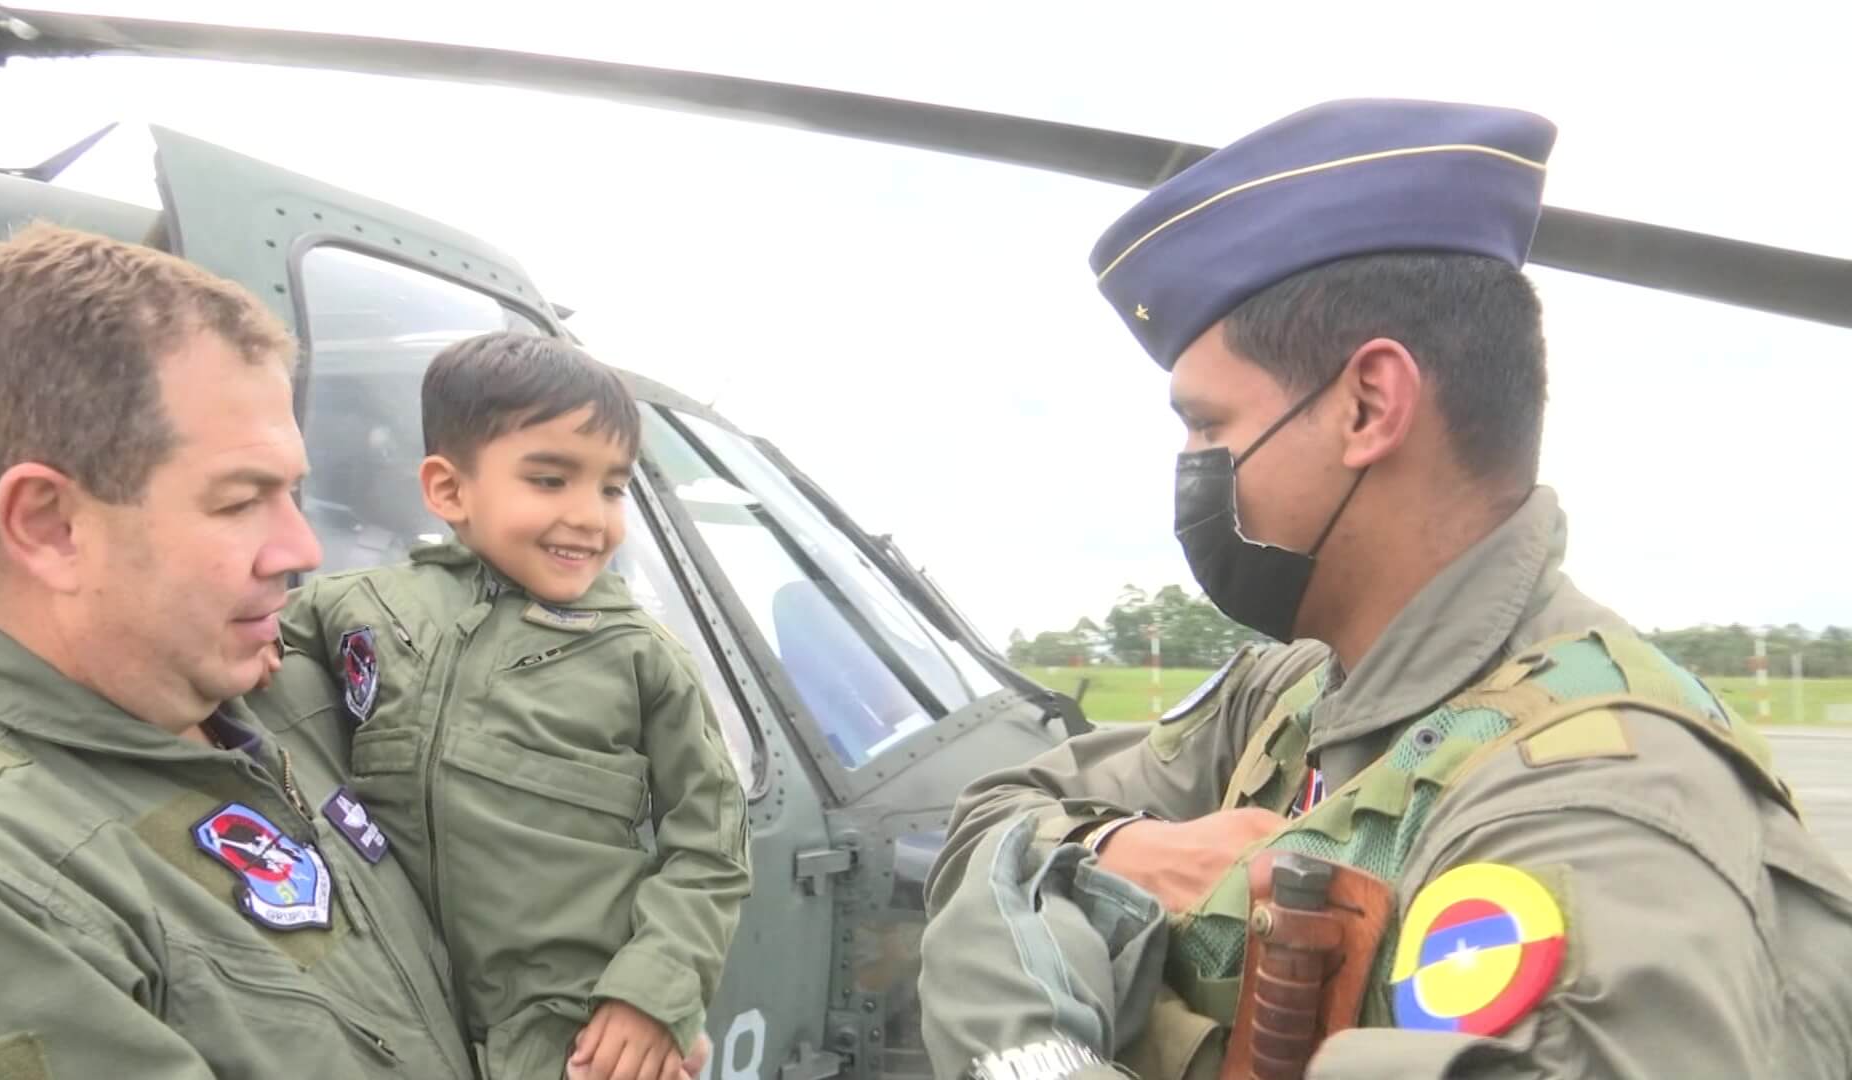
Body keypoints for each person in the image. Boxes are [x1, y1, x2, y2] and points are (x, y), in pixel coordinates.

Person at [915, 99, 1852, 1080]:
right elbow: (994, 818)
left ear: (1369, 406)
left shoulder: (1599, 814)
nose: (1189, 466)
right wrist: (1126, 852)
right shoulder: (1289, 698)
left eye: (1206, 425)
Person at [0, 222, 476, 1076]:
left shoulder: (260, 685)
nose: (301, 550)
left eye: (294, 493)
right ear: (50, 524)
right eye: (238, 502)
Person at [272, 331, 752, 1080]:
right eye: (551, 479)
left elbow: (713, 846)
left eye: (612, 488)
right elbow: (235, 664)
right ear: (448, 489)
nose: (591, 518)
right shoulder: (356, 609)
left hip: (573, 1037)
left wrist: (653, 994)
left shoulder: (639, 656)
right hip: (392, 1021)